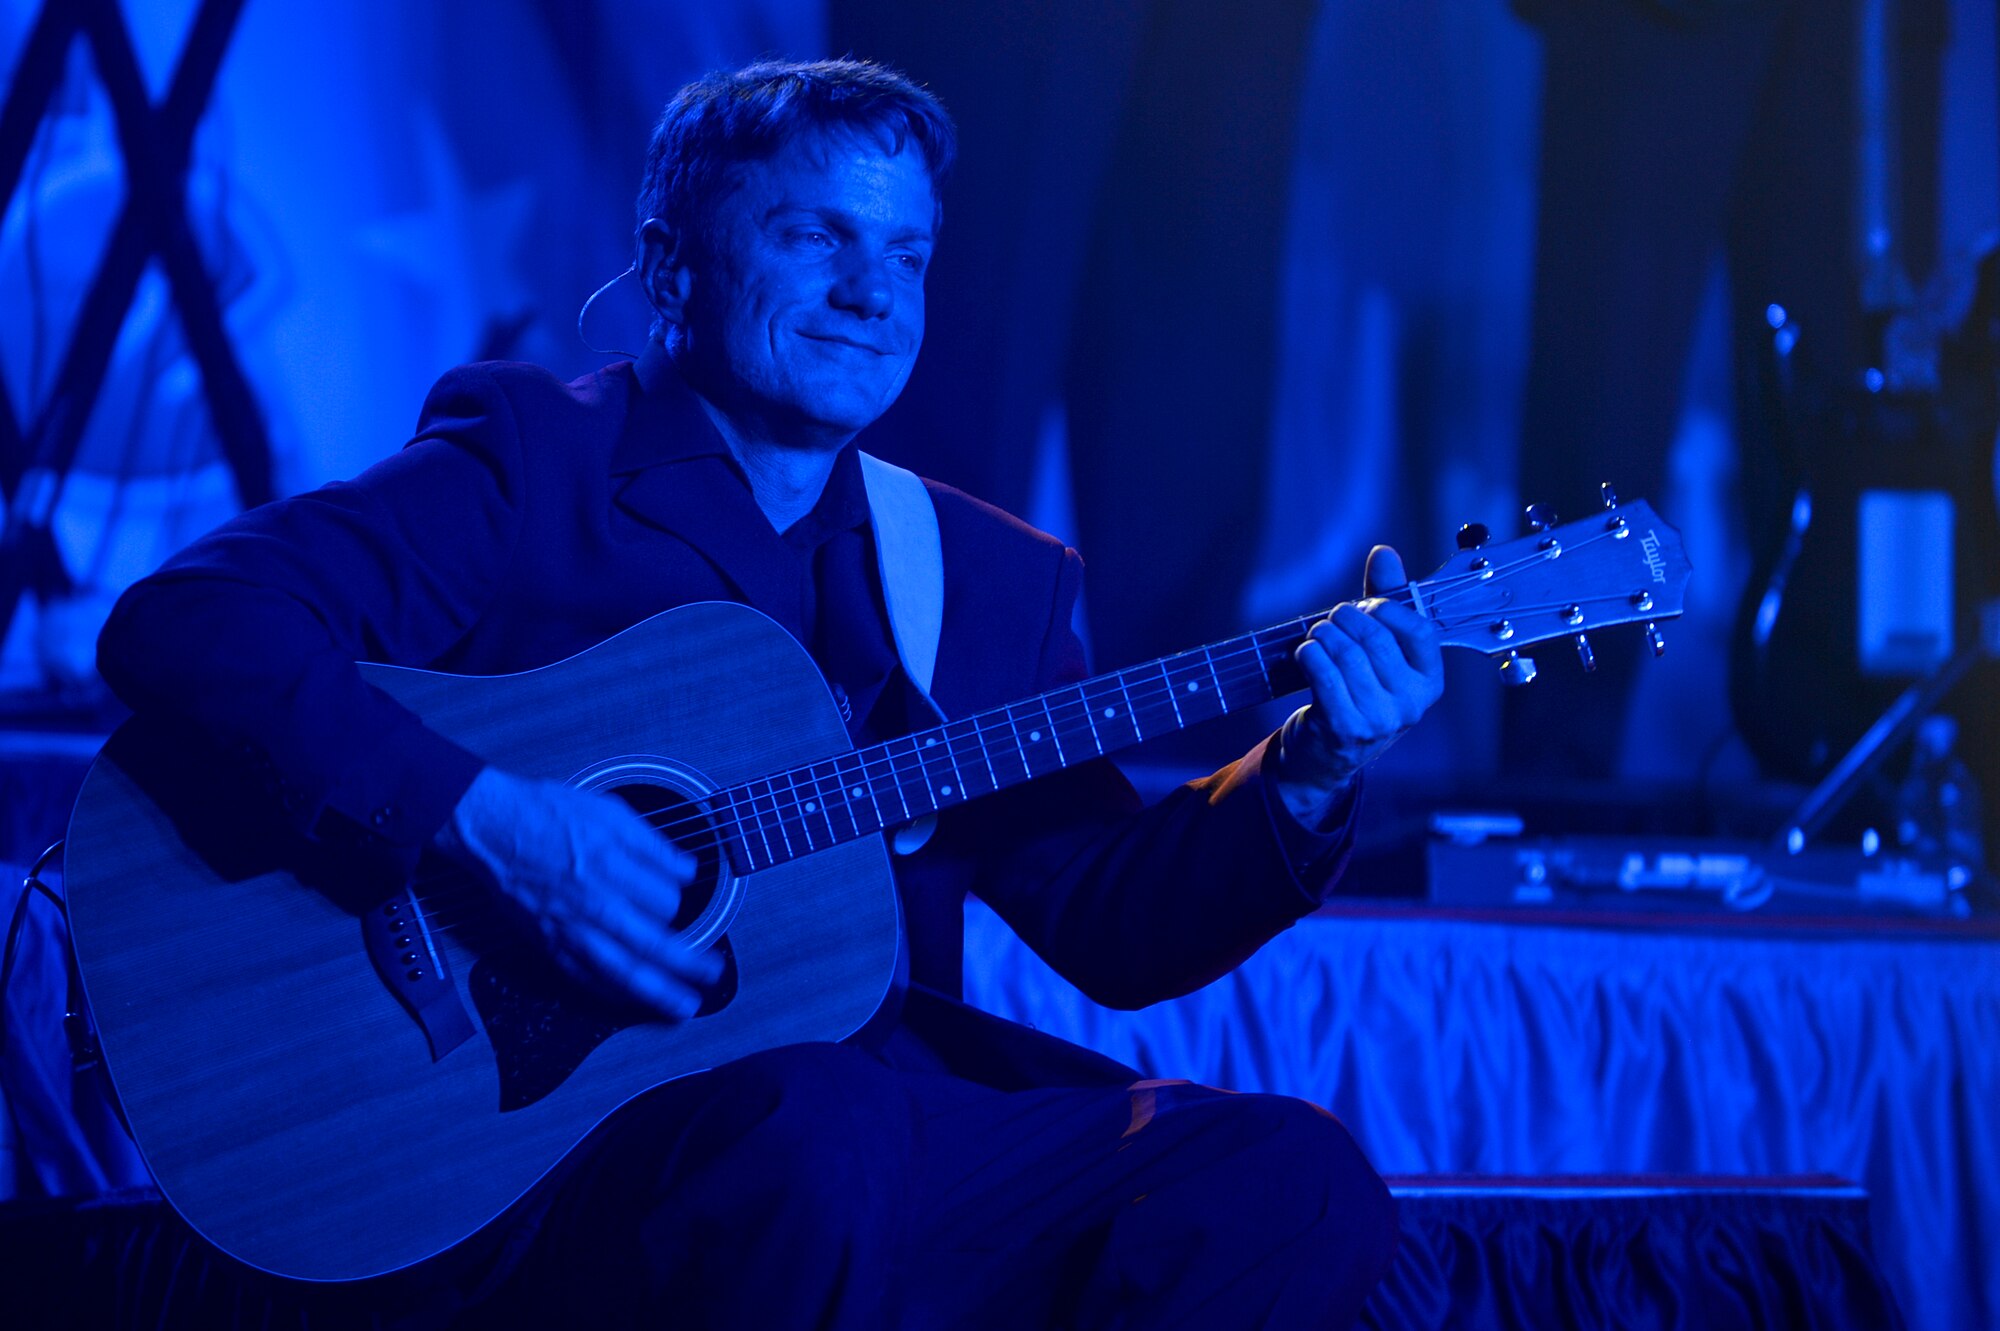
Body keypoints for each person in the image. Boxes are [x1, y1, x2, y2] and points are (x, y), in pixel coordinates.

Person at [96, 59, 1443, 1329]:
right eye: (818, 240)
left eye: (907, 254)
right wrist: (495, 823)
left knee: (1287, 1178)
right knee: (820, 1126)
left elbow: (1114, 927)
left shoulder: (976, 577)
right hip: (523, 1157)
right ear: (673, 265)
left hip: (853, 1136)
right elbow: (192, 623)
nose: (875, 294)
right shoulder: (534, 465)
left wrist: (1310, 766)